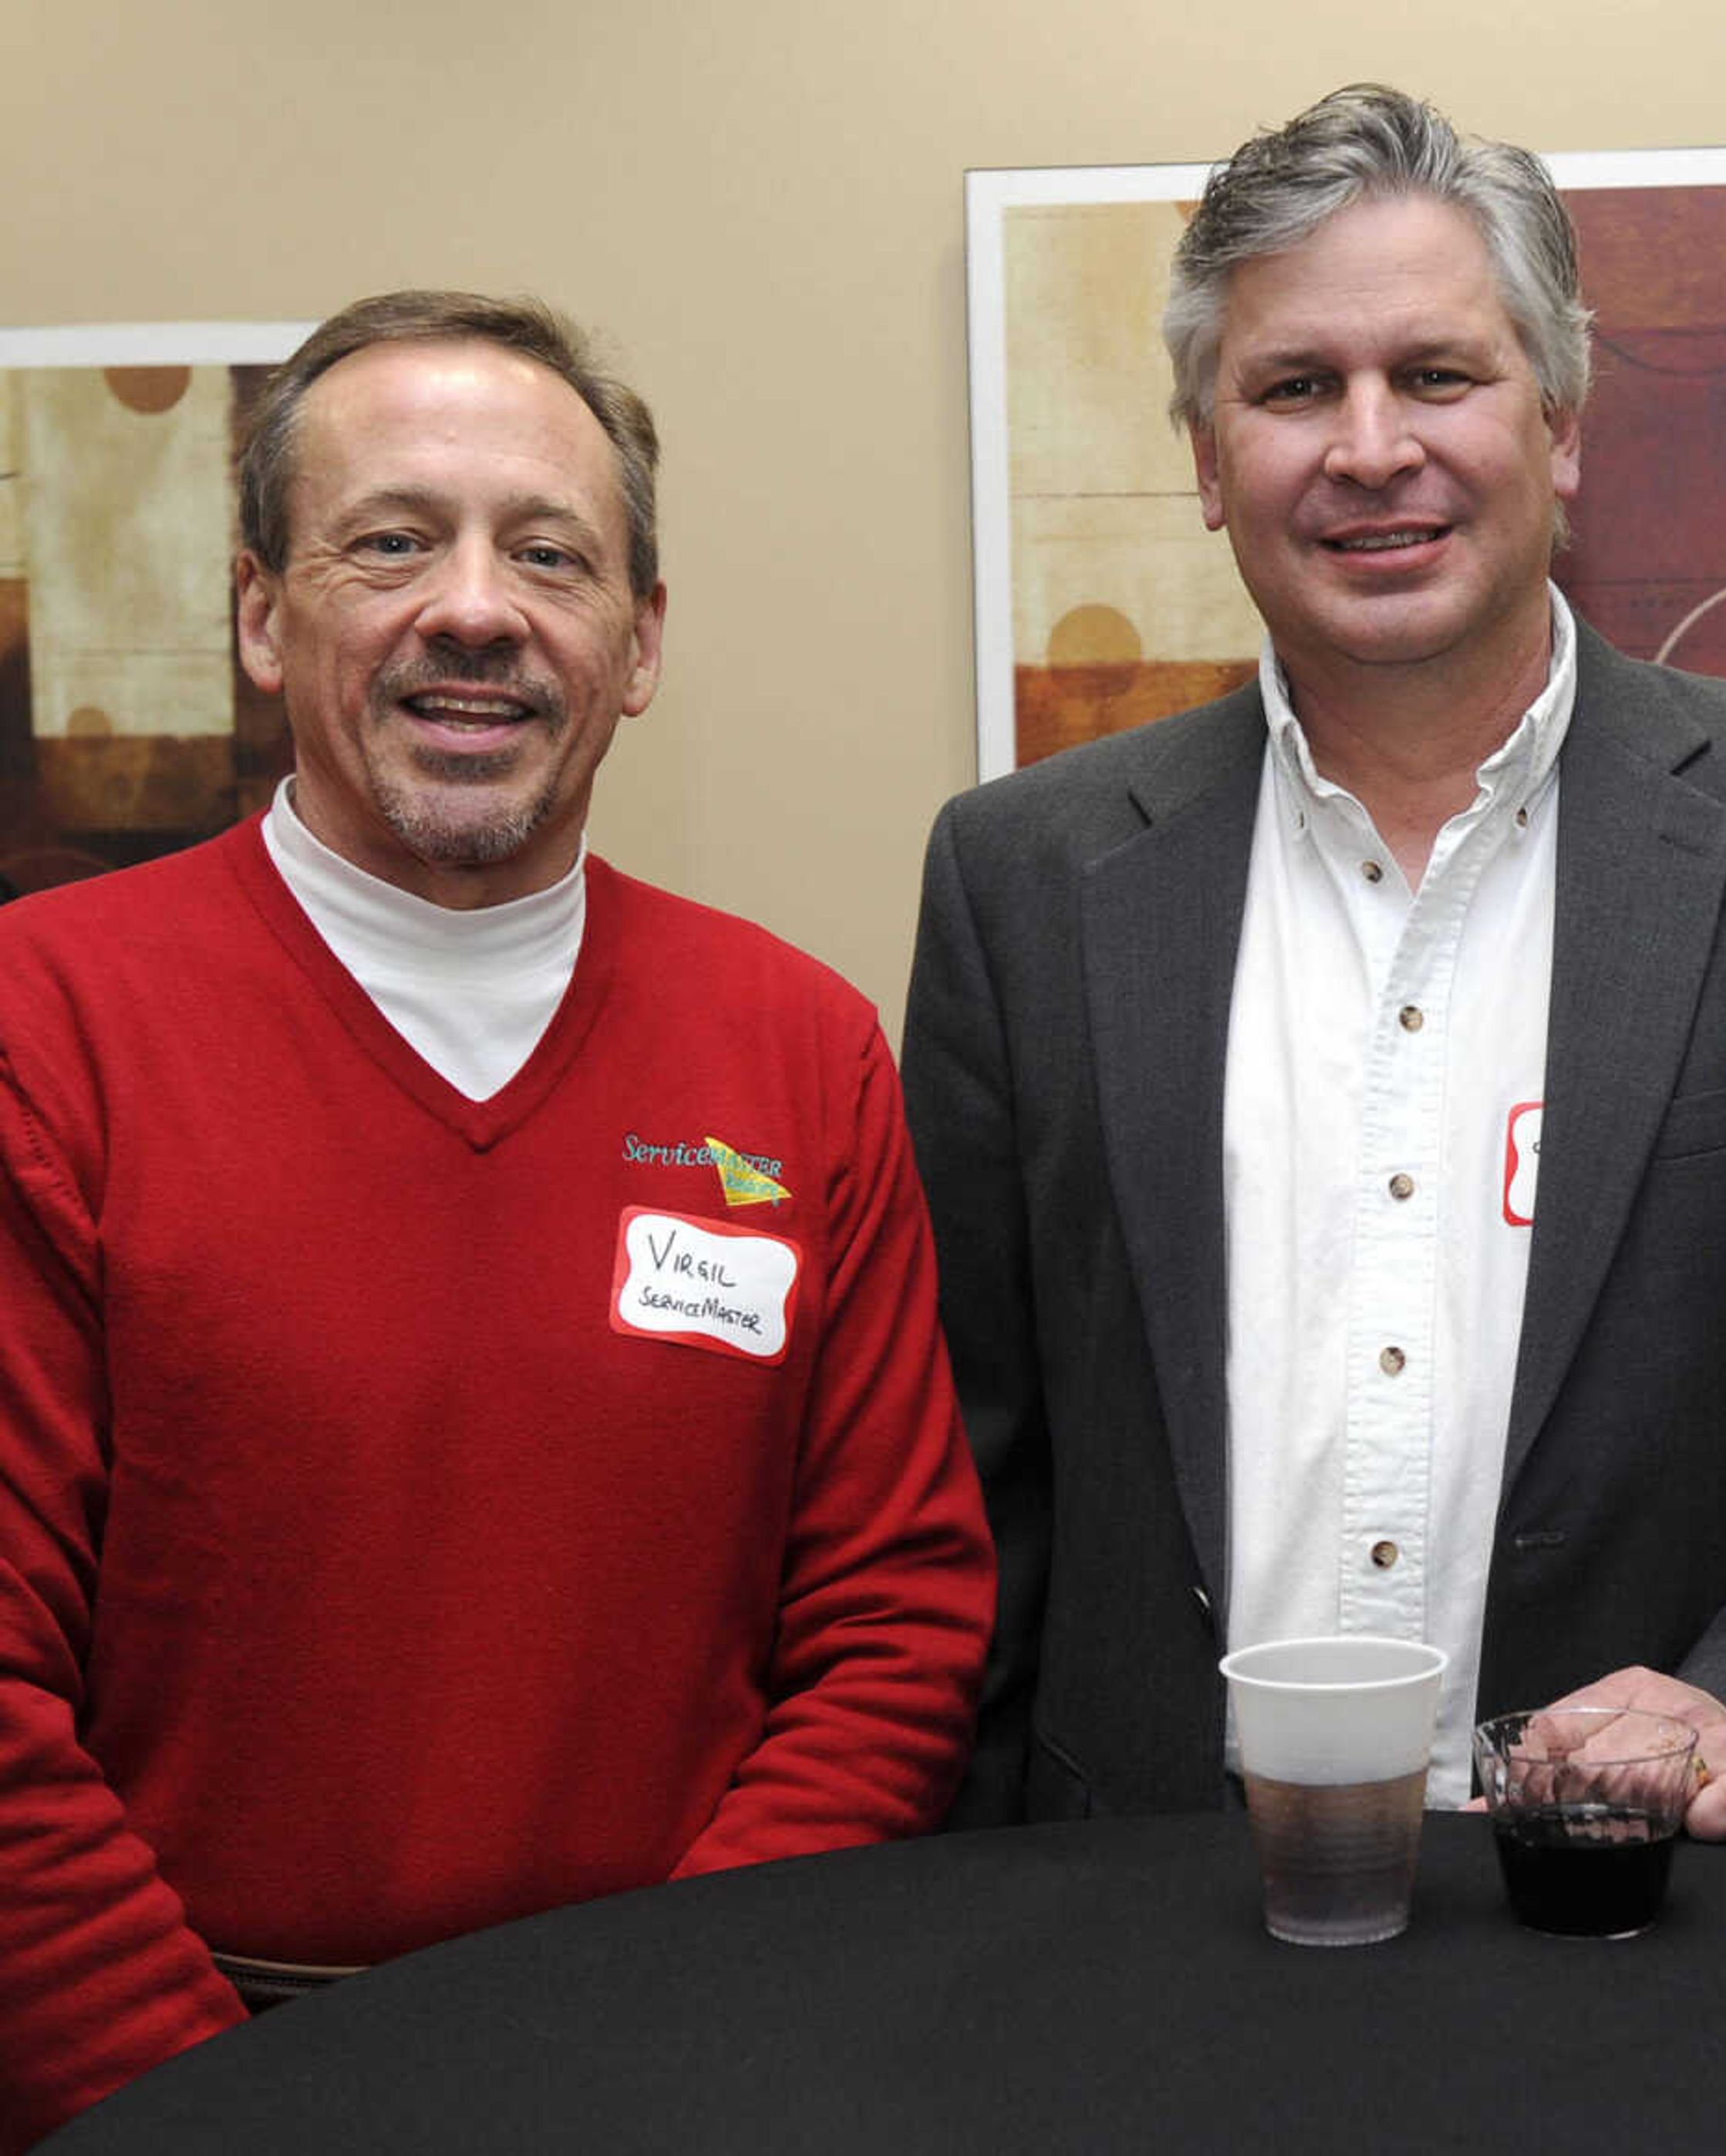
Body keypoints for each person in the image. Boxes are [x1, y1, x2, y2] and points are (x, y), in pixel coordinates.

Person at [902, 84, 1726, 1851]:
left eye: (1435, 375)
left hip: (1666, 1930)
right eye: (1293, 388)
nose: (1367, 448)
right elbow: (964, 1478)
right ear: (1207, 460)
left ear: (1562, 421)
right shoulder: (1022, 877)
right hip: (1139, 1927)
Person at [0, 291, 994, 2147]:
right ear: (256, 612)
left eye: (550, 553)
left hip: (691, 2060)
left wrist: (669, 2045)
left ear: (636, 644)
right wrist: (218, 2112)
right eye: (390, 541)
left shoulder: (793, 1049)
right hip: (167, 2076)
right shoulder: (45, 1030)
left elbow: (891, 1619)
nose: (475, 606)